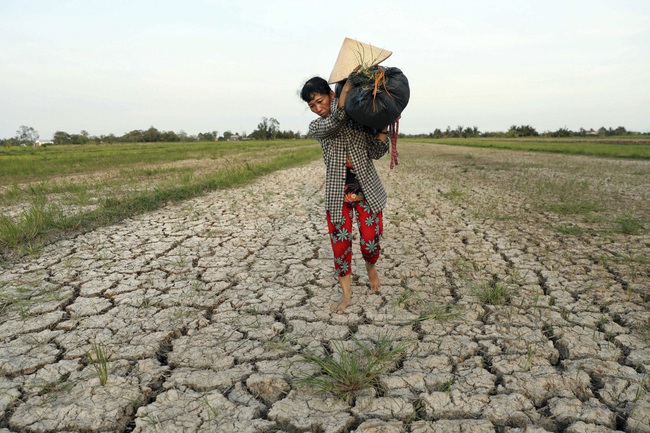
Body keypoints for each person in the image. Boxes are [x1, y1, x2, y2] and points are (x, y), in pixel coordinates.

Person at [300, 76, 390, 313]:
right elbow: (334, 123)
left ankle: (371, 267)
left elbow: (377, 151)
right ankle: (347, 295)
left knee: (371, 243)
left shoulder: (357, 120)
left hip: (367, 192)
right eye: (312, 106)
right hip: (337, 196)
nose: (318, 109)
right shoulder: (318, 127)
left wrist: (383, 127)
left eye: (320, 101)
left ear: (331, 94)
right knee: (340, 247)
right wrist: (345, 93)